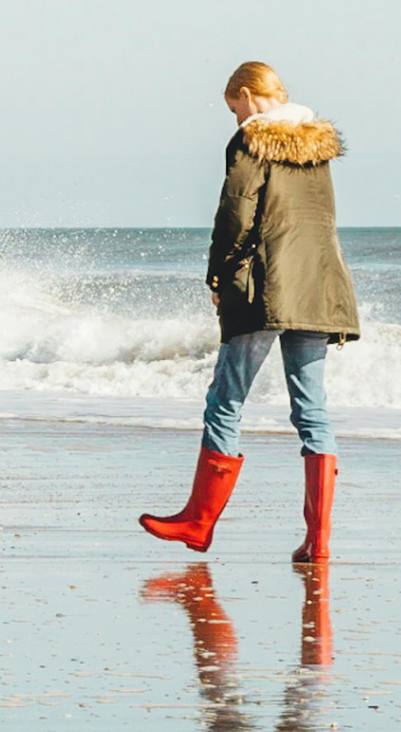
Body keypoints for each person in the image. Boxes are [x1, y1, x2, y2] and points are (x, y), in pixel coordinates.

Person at [140, 62, 359, 561]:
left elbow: (237, 213)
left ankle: (198, 522)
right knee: (312, 410)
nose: (234, 117)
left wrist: (218, 277)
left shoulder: (251, 139)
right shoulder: (316, 147)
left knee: (226, 397)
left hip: (265, 286)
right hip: (319, 286)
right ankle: (318, 541)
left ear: (246, 94)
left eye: (233, 106)